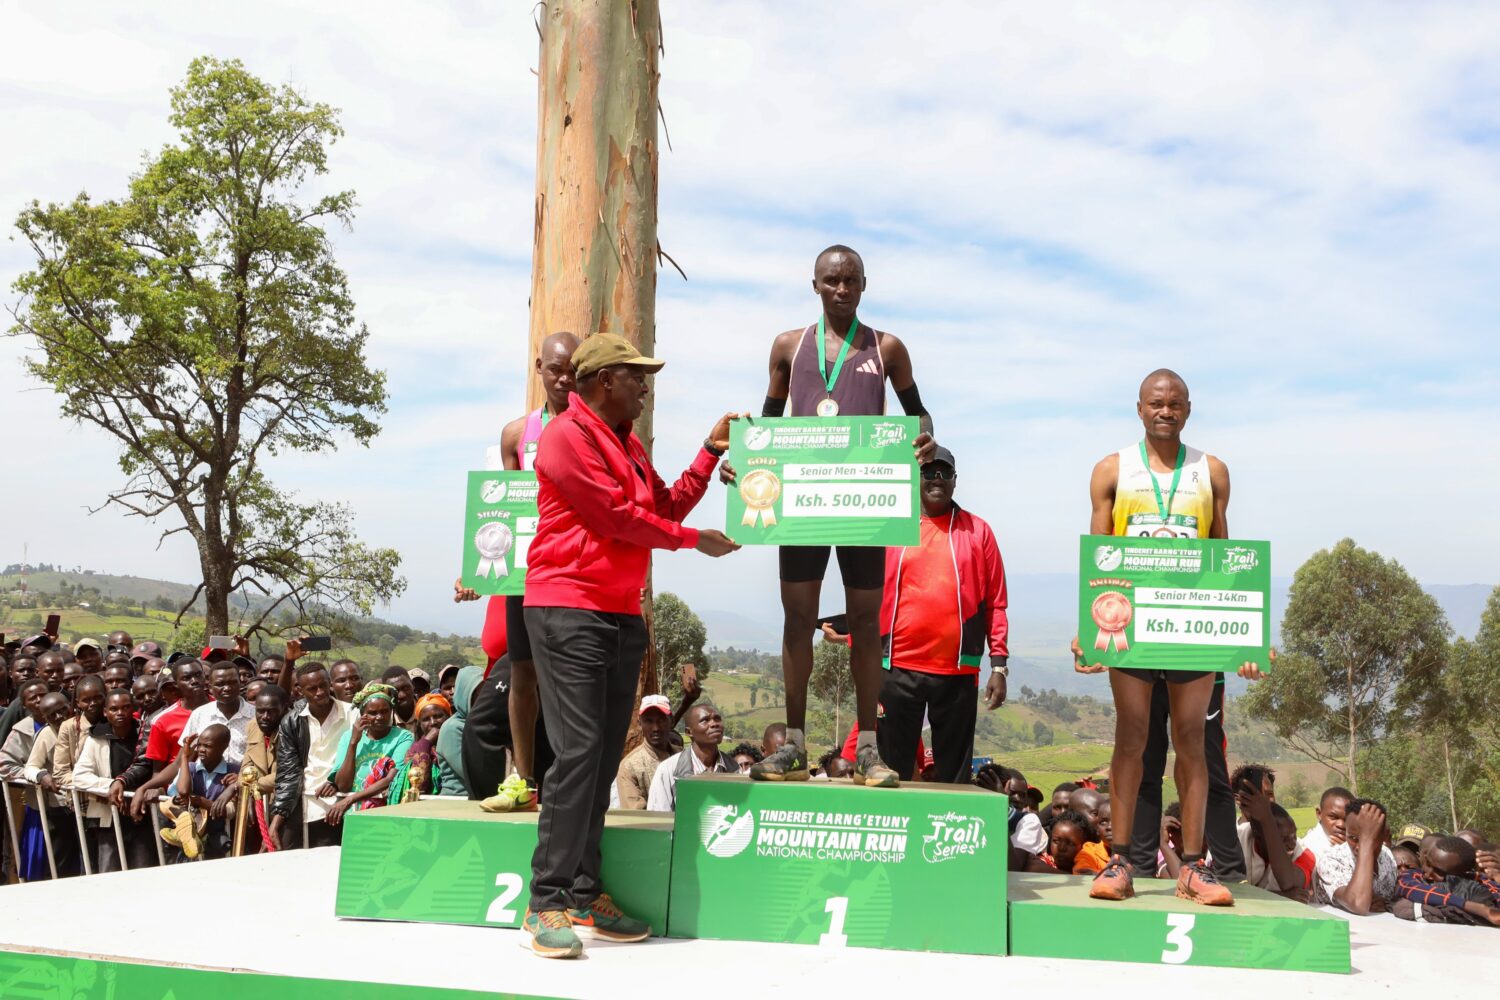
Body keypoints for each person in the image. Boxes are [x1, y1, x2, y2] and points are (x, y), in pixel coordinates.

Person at [521, 332, 740, 959]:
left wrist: (706, 452)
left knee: (599, 757)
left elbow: (662, 501)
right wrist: (692, 540)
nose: (645, 387)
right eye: (635, 375)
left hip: (619, 616)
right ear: (600, 380)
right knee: (578, 753)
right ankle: (545, 901)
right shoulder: (566, 436)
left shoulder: (628, 443)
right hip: (568, 609)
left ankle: (585, 894)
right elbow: (615, 516)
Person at [736, 246, 937, 788]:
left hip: (864, 500)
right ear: (815, 285)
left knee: (867, 623)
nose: (841, 289)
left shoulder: (886, 347)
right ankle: (794, 746)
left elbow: (918, 411)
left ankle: (868, 749)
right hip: (802, 501)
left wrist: (923, 437)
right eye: (832, 280)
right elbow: (770, 424)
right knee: (797, 620)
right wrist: (746, 461)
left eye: (851, 280)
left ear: (865, 284)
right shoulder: (788, 346)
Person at [1073, 369, 1265, 907]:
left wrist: (1243, 640)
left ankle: (1195, 868)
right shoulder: (1112, 470)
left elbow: (1226, 560)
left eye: (1175, 403)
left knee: (1191, 743)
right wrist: (1089, 632)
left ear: (1188, 409)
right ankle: (1121, 861)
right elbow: (1098, 556)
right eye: (1156, 403)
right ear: (1139, 408)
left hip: (1190, 624)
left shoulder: (1213, 471)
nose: (1165, 410)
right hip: (1131, 625)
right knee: (1131, 739)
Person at [453, 331, 581, 810]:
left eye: (573, 370)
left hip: (574, 578)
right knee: (522, 675)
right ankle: (523, 782)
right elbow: (504, 514)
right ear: (539, 369)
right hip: (526, 578)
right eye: (556, 369)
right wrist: (477, 572)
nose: (565, 379)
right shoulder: (516, 435)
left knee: (569, 689)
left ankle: (564, 787)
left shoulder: (598, 428)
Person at [862, 446, 1009, 784]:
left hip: (957, 672)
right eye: (930, 472)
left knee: (954, 775)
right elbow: (867, 593)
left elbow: (996, 602)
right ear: (917, 478)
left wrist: (998, 665)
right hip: (896, 669)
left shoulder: (978, 531)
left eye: (945, 473)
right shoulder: (892, 525)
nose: (937, 479)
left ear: (955, 481)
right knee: (890, 770)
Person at [271, 661, 359, 850]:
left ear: (330, 684)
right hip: (303, 806)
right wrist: (277, 819)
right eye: (312, 689)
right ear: (300, 691)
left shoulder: (353, 714)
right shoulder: (292, 722)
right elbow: (288, 773)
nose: (319, 692)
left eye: (323, 685)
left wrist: (335, 781)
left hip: (341, 805)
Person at [74, 690, 157, 871]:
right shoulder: (96, 737)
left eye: (125, 708)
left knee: (143, 870)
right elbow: (79, 776)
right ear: (105, 712)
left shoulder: (145, 733)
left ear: (133, 708)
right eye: (114, 709)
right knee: (108, 871)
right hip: (108, 817)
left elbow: (149, 767)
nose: (120, 713)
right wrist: (111, 785)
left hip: (141, 816)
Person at [326, 683, 414, 825]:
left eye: (385, 711)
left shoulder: (403, 737)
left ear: (391, 711)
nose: (379, 717)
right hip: (354, 815)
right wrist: (354, 743)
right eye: (373, 713)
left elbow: (390, 779)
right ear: (362, 715)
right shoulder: (348, 737)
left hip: (386, 814)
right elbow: (342, 785)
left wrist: (350, 799)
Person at [161, 725, 237, 860]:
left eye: (207, 746)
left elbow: (230, 810)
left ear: (224, 746)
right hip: (185, 851)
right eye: (199, 745)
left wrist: (201, 802)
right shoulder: (190, 768)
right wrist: (184, 757)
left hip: (215, 842)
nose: (201, 750)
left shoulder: (233, 772)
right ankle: (186, 835)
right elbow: (183, 792)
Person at [1311, 797, 1397, 914]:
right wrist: (1367, 839)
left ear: (1384, 835)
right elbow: (1358, 903)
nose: (1358, 847)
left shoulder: (1388, 856)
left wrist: (1386, 903)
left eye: (1372, 837)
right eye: (1353, 838)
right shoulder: (1331, 861)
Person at [1395, 836, 1500, 925]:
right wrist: (1480, 909)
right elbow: (1411, 889)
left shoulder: (1479, 882)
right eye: (1427, 863)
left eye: (1438, 871)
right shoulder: (1412, 875)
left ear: (1462, 875)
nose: (1427, 874)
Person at [646, 704, 733, 811]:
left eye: (717, 719)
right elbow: (659, 818)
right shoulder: (668, 770)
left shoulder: (734, 768)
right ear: (689, 732)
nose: (714, 724)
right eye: (705, 720)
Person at [238, 684, 288, 854]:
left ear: (284, 709)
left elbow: (286, 774)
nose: (265, 717)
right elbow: (246, 769)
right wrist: (245, 791)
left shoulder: (292, 728)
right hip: (260, 806)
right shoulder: (253, 726)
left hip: (285, 807)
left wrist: (253, 788)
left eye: (272, 711)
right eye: (260, 711)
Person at [180, 662, 254, 767]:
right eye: (220, 684)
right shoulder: (200, 714)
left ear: (240, 684)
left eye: (232, 682)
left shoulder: (256, 715)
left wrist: (240, 776)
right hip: (205, 779)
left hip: (244, 779)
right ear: (210, 687)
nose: (227, 688)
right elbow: (186, 756)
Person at [388, 692, 452, 803]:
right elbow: (419, 786)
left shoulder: (457, 741)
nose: (433, 723)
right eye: (426, 719)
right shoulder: (415, 749)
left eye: (438, 716)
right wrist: (426, 743)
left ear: (449, 716)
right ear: (420, 724)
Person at [615, 695, 675, 809]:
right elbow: (636, 815)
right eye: (648, 721)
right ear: (639, 723)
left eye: (661, 720)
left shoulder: (683, 757)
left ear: (671, 720)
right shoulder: (629, 767)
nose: (656, 728)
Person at [435, 667, 483, 797]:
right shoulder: (452, 728)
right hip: (458, 801)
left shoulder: (482, 724)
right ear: (464, 694)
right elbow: (475, 773)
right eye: (476, 694)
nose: (483, 698)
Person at [1303, 786, 1353, 856]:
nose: (1341, 825)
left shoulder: (1356, 842)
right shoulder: (1308, 849)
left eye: (1347, 819)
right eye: (1333, 817)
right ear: (1319, 814)